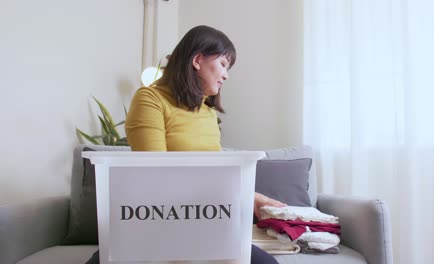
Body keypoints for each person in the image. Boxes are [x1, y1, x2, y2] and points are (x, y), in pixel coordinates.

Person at [86, 25, 285, 264]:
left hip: (206, 219)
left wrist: (249, 197)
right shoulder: (150, 98)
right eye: (223, 64)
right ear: (198, 60)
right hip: (157, 219)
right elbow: (154, 175)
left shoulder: (208, 113)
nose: (226, 75)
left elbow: (218, 175)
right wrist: (247, 196)